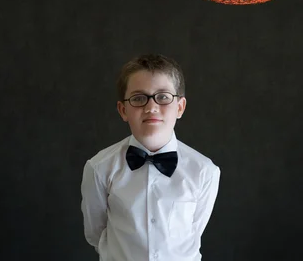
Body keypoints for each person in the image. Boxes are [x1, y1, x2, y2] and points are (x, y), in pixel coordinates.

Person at [81, 53, 221, 260]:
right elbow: (96, 233)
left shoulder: (204, 171)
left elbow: (194, 231)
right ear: (123, 110)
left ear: (180, 107)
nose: (151, 107)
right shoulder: (99, 167)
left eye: (163, 96)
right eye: (139, 98)